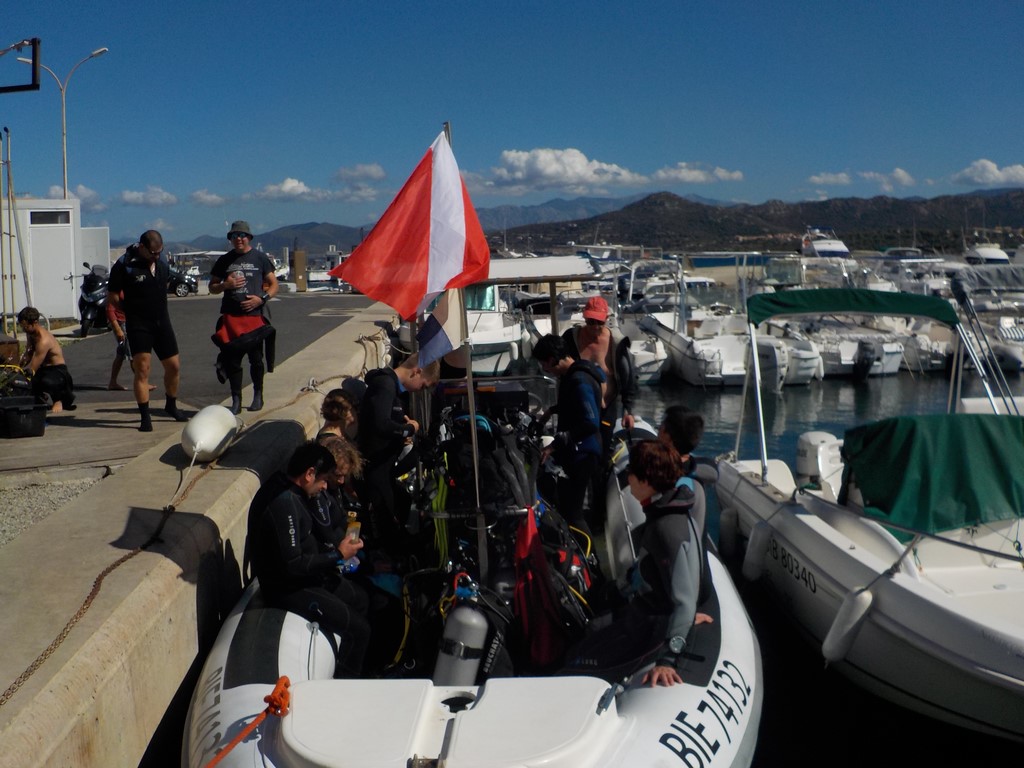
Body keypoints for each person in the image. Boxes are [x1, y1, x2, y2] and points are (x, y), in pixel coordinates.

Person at [563, 439, 708, 687]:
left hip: (650, 632)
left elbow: (684, 602)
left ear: (645, 481)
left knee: (571, 667)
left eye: (632, 472)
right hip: (639, 616)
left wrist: (668, 659)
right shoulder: (674, 512)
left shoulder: (666, 529)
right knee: (581, 639)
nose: (628, 478)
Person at [246, 441, 370, 677]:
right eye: (323, 480)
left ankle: (344, 659)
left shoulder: (292, 490)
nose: (325, 487)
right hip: (288, 587)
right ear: (309, 473)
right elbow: (292, 564)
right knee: (360, 631)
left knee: (361, 598)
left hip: (309, 574)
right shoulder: (283, 502)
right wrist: (338, 555)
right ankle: (345, 686)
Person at [561, 296, 638, 530]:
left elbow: (627, 376)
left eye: (599, 323)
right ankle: (573, 508)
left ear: (606, 321)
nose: (595, 327)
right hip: (580, 410)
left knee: (600, 461)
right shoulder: (572, 339)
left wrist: (628, 409)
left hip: (605, 409)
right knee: (575, 456)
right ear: (584, 319)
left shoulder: (615, 343)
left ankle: (598, 513)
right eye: (591, 322)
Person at [355, 353, 440, 554]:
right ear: (416, 372)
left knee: (402, 501)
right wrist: (408, 429)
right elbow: (380, 424)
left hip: (385, 467)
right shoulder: (385, 385)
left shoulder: (392, 389)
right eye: (423, 386)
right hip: (375, 468)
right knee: (386, 524)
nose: (420, 391)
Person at [107, 230, 188, 432]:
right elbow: (113, 296)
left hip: (162, 322)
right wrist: (129, 311)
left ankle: (171, 405)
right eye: (153, 253)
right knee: (142, 369)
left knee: (174, 366)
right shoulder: (125, 264)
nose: (156, 256)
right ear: (142, 247)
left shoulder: (162, 262)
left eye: (160, 252)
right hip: (139, 324)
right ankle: (145, 416)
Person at [532, 333, 606, 535]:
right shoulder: (573, 374)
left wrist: (554, 445)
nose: (544, 369)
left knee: (574, 512)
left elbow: (590, 422)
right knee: (565, 505)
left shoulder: (579, 381)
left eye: (543, 364)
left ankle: (587, 553)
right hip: (576, 451)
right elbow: (573, 406)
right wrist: (551, 411)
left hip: (584, 454)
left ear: (551, 360)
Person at [208, 220, 279, 414]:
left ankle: (258, 394)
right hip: (231, 318)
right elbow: (212, 287)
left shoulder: (260, 258)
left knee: (256, 359)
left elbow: (274, 284)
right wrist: (226, 285)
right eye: (234, 236)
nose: (238, 239)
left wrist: (261, 299)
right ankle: (236, 399)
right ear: (230, 239)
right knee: (233, 361)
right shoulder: (225, 260)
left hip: (254, 318)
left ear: (249, 238)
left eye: (242, 235)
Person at [16, 306, 75, 412]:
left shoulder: (44, 340)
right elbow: (28, 354)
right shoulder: (31, 334)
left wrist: (23, 375)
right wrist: (17, 367)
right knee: (22, 380)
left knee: (34, 380)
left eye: (25, 326)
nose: (24, 329)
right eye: (22, 326)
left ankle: (59, 400)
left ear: (35, 322)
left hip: (58, 372)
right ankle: (41, 397)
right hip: (44, 369)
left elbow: (33, 368)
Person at [105, 296, 156, 392]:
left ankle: (112, 382)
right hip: (121, 323)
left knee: (121, 353)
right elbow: (109, 309)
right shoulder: (117, 290)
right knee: (133, 354)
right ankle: (142, 383)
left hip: (130, 321)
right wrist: (118, 329)